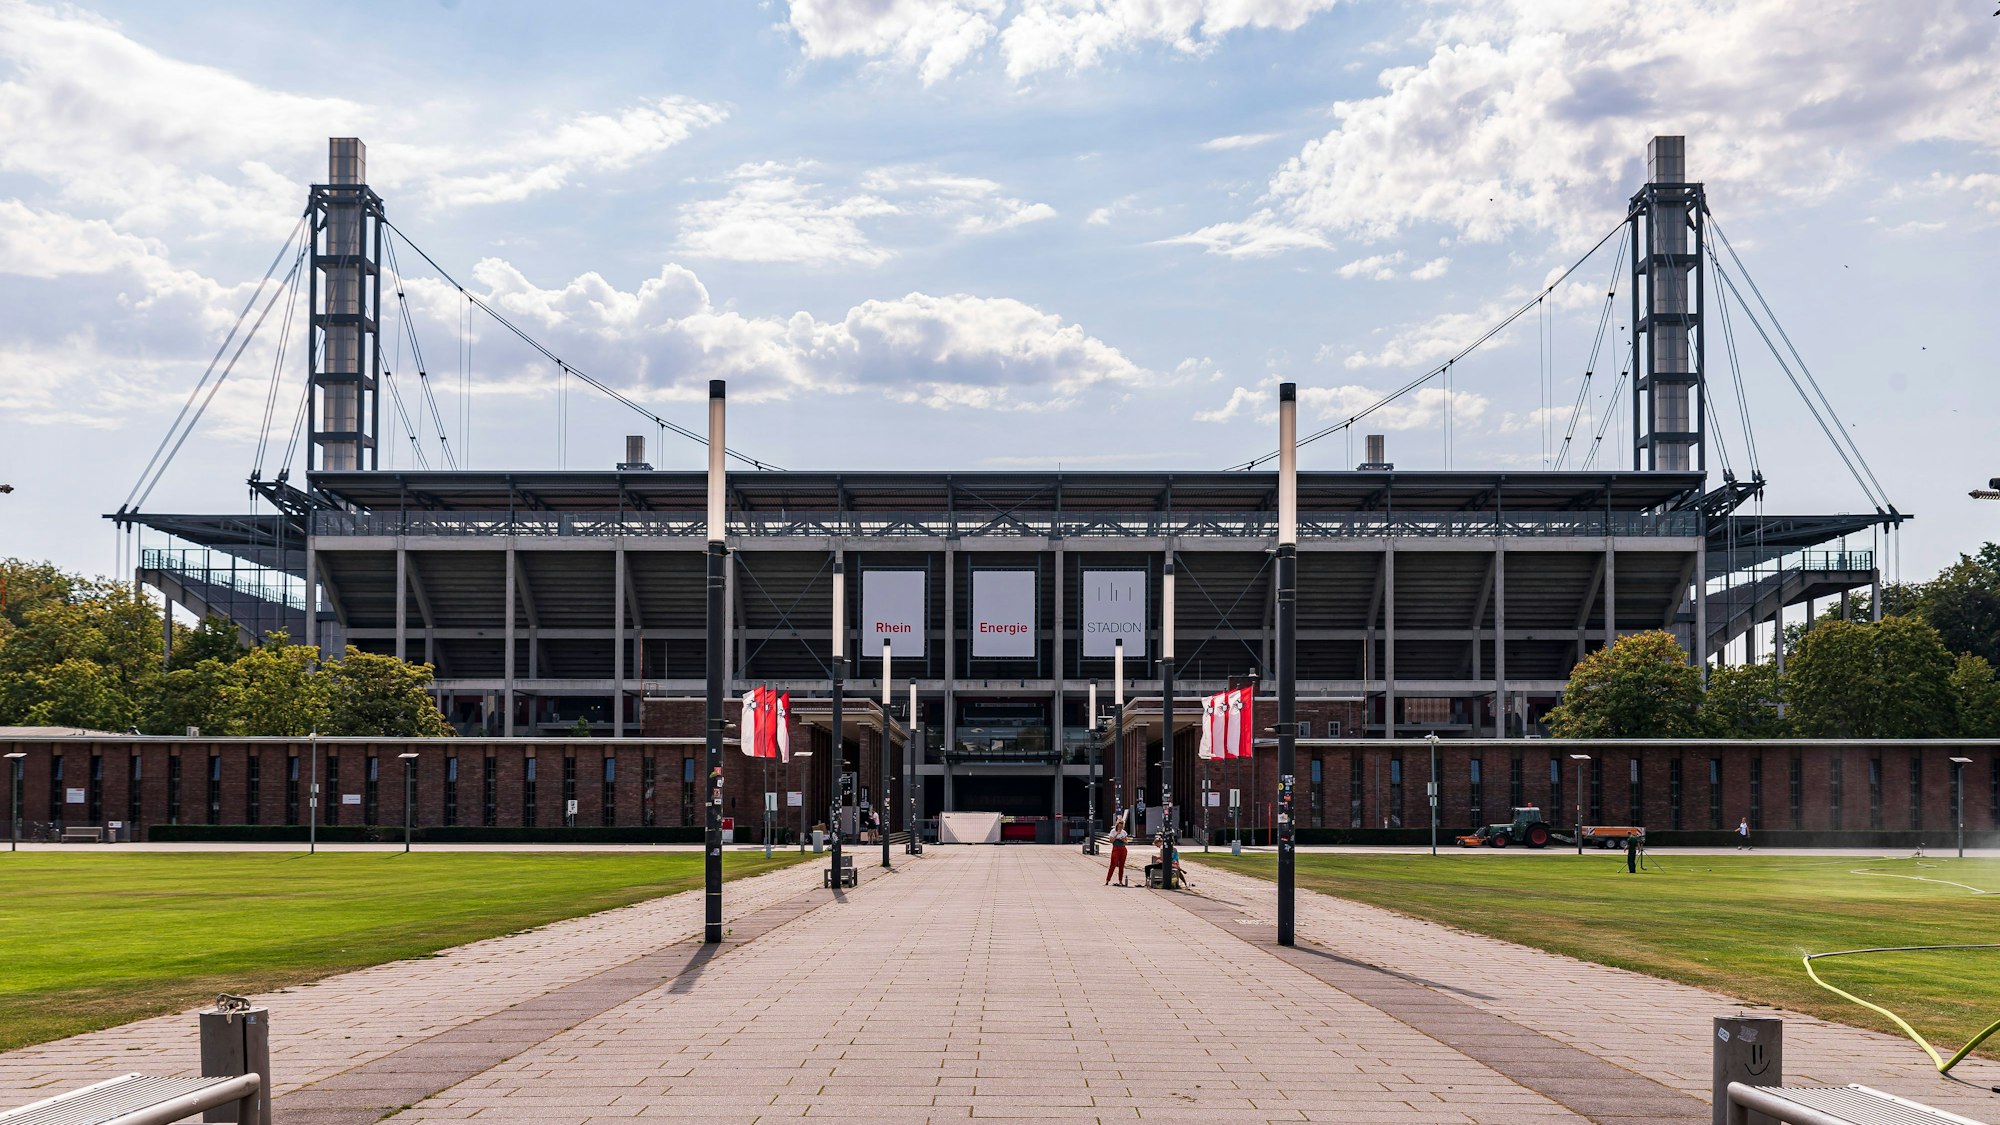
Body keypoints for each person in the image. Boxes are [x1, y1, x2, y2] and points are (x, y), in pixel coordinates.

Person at [1105, 820, 1129, 886]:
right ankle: (1107, 879)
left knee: (1121, 865)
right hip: (1116, 848)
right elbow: (1110, 841)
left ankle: (1120, 881)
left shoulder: (1124, 832)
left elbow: (1127, 842)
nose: (1120, 828)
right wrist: (1116, 835)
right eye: (1119, 827)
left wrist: (1123, 840)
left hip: (1123, 849)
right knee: (1113, 864)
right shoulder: (1113, 831)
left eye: (1121, 827)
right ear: (1117, 826)